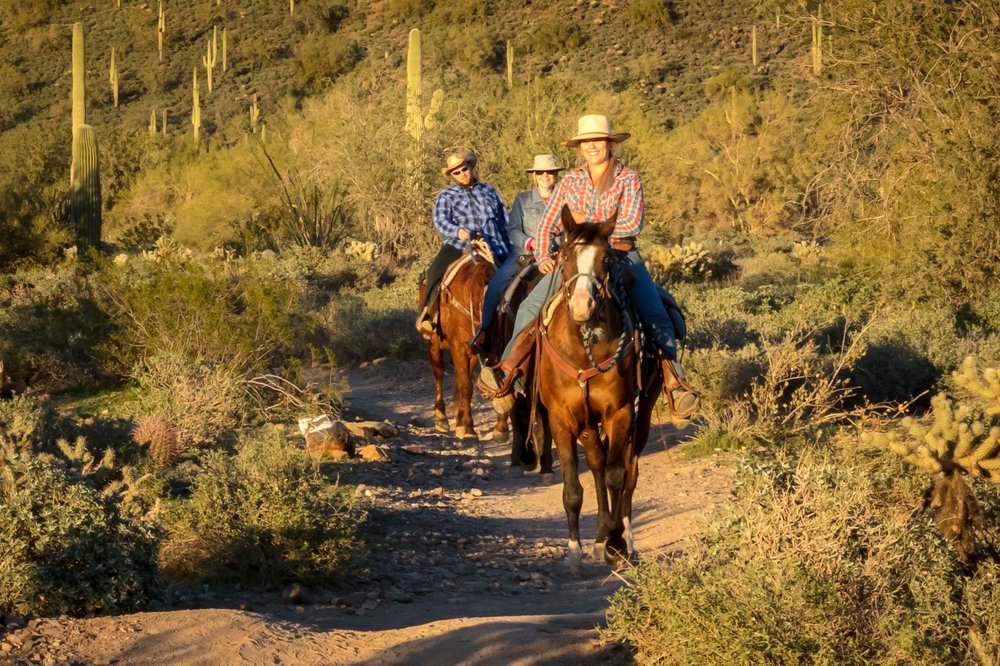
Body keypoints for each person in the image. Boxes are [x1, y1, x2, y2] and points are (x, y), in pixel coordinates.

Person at [480, 115, 700, 421]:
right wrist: (544, 255)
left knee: (656, 314)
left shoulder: (628, 179)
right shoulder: (570, 180)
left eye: (598, 140)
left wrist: (584, 219)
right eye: (587, 142)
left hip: (621, 256)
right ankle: (508, 370)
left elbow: (631, 224)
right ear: (580, 146)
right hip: (575, 257)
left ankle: (674, 382)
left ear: (610, 144)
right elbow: (547, 225)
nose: (593, 146)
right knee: (531, 306)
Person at [470, 154, 564, 356]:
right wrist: (530, 243)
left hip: (556, 255)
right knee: (496, 286)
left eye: (550, 172)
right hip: (524, 255)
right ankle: (484, 332)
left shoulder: (566, 200)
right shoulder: (523, 199)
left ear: (556, 175)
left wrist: (557, 247)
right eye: (541, 172)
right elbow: (512, 229)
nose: (545, 176)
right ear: (534, 175)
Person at [416, 152, 512, 337]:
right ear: (452, 176)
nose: (462, 174)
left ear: (470, 167)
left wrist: (509, 242)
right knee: (435, 270)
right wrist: (458, 231)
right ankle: (429, 314)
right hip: (459, 244)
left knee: (519, 274)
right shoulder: (446, 195)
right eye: (457, 172)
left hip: (494, 243)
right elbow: (441, 221)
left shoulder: (489, 191)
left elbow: (504, 219)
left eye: (464, 169)